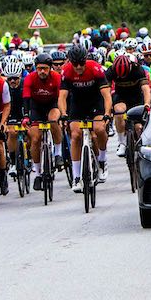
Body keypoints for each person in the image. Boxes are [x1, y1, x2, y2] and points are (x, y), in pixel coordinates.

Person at [59, 45, 113, 192]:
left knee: (99, 129)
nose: (78, 67)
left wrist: (107, 113)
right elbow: (62, 96)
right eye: (75, 63)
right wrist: (63, 114)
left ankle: (102, 160)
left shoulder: (95, 68)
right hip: (77, 105)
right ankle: (76, 177)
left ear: (86, 60)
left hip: (95, 103)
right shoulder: (66, 71)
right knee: (75, 135)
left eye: (81, 63)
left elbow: (106, 95)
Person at [22, 54, 64, 189]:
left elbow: (61, 97)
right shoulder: (30, 78)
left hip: (52, 104)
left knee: (53, 120)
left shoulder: (56, 77)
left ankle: (58, 153)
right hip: (36, 107)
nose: (42, 71)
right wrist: (26, 116)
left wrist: (64, 114)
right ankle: (38, 173)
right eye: (39, 68)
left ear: (50, 68)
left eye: (45, 68)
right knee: (35, 139)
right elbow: (26, 98)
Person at [109, 53, 151, 158]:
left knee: (138, 127)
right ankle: (122, 143)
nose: (123, 77)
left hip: (136, 98)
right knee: (118, 112)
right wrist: (107, 109)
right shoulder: (111, 70)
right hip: (121, 97)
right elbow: (105, 91)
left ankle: (142, 144)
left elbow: (146, 89)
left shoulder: (138, 69)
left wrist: (147, 104)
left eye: (125, 74)